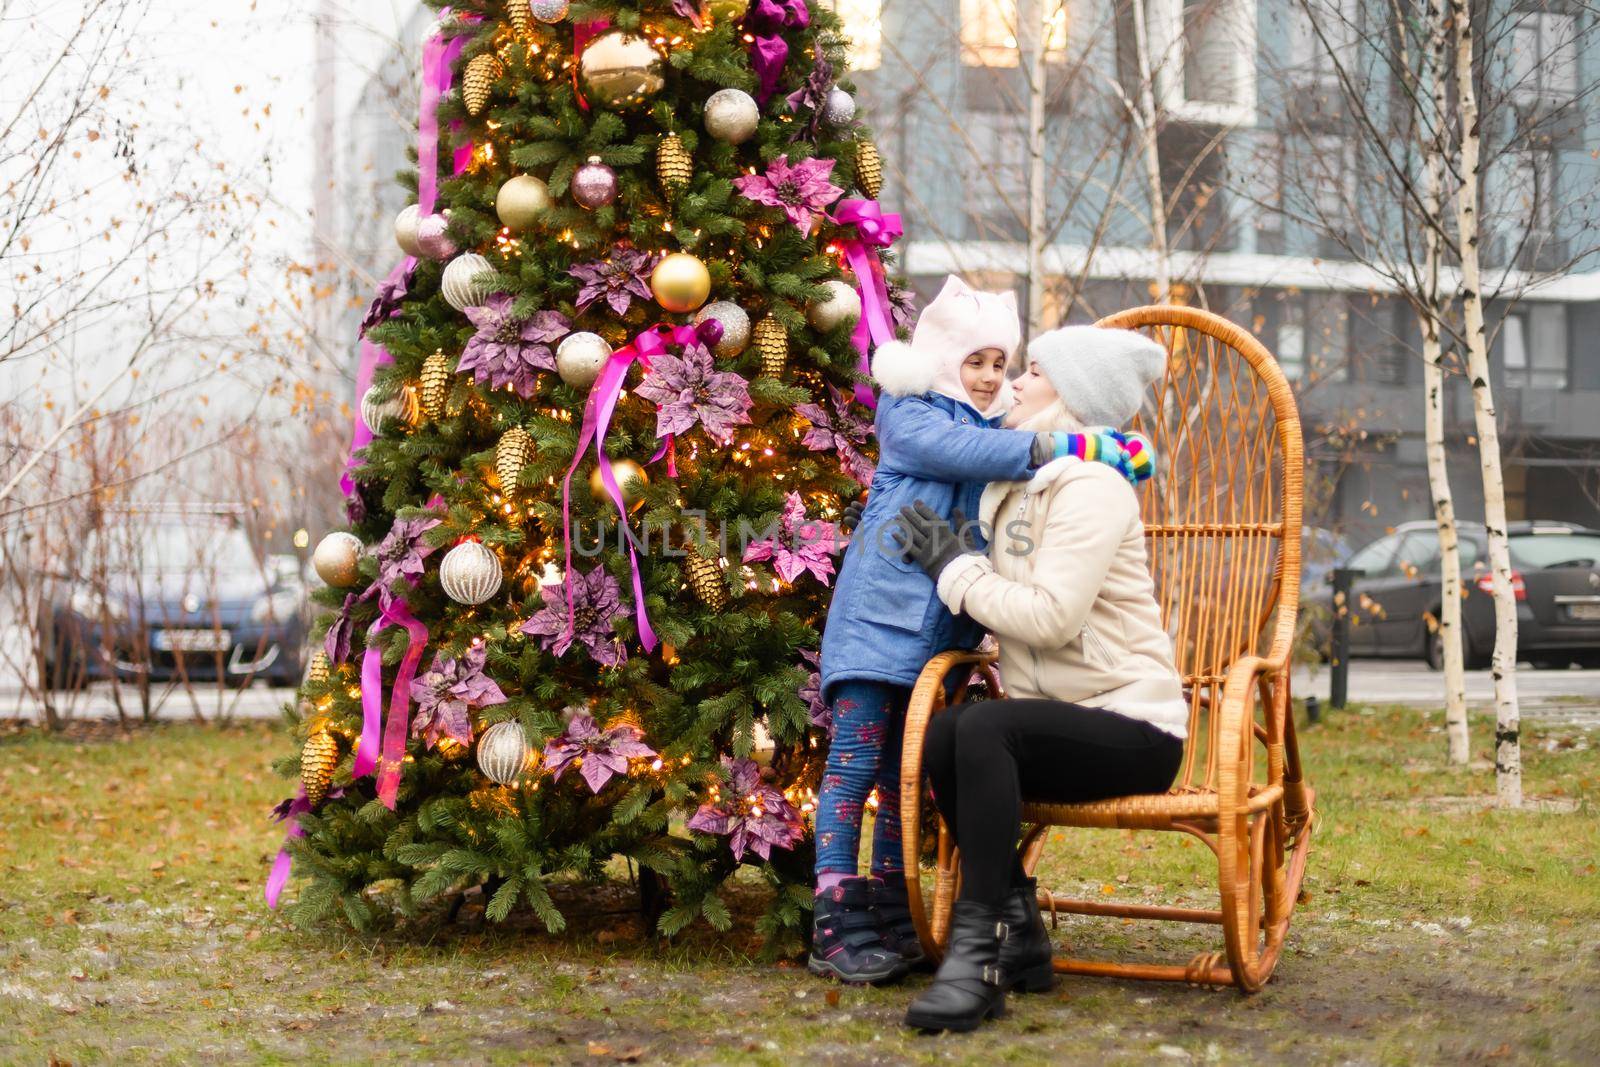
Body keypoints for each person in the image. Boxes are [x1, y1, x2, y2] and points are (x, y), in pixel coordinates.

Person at [810, 278, 1140, 984]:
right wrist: (1087, 444)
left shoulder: (990, 429)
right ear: (940, 358)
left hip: (939, 642)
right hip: (876, 629)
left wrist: (1101, 450)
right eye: (977, 362)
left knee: (908, 780)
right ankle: (836, 914)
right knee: (854, 770)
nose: (993, 378)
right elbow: (973, 456)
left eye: (1001, 363)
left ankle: (896, 910)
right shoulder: (913, 415)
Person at [891, 324, 1188, 1032]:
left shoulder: (1093, 486)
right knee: (947, 732)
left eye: (1033, 372)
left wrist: (953, 569)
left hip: (1134, 727)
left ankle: (978, 960)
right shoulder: (1020, 489)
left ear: (1074, 396)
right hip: (1052, 721)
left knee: (984, 726)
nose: (1015, 382)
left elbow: (1051, 617)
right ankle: (1020, 935)